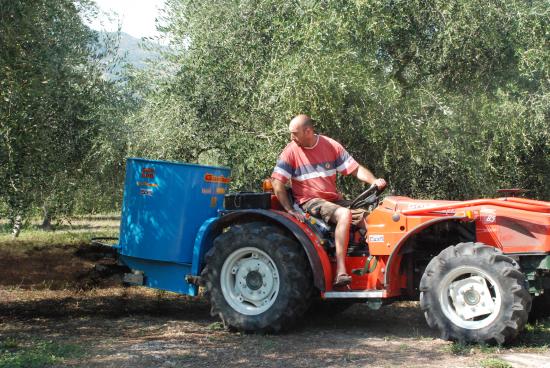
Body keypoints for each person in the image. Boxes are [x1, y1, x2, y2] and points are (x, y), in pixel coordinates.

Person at [271, 114, 387, 287]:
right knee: (344, 214)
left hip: (332, 200)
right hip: (309, 201)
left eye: (294, 133)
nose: (291, 138)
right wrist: (290, 210)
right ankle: (341, 271)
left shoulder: (331, 146)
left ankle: (379, 271)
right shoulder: (291, 152)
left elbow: (355, 170)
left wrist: (374, 181)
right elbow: (277, 182)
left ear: (308, 131)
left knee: (371, 219)